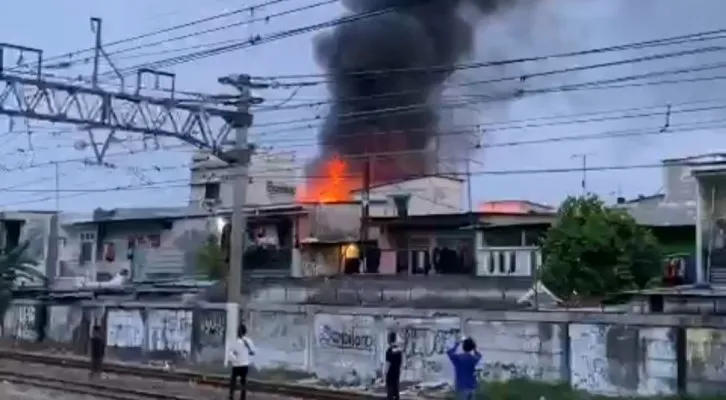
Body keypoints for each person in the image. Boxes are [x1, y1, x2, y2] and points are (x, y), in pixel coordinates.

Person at [228, 324, 256, 400]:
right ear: (245, 332)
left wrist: (235, 360)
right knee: (243, 382)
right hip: (245, 365)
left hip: (236, 365)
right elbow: (253, 352)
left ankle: (231, 396)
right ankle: (243, 397)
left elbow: (230, 353)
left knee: (233, 381)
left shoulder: (234, 341)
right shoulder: (249, 341)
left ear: (238, 332)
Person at [385, 332, 403, 400]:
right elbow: (401, 363)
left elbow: (387, 365)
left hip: (390, 376)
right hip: (396, 375)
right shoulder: (399, 350)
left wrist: (384, 375)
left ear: (389, 340)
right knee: (396, 394)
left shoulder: (389, 351)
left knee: (390, 395)